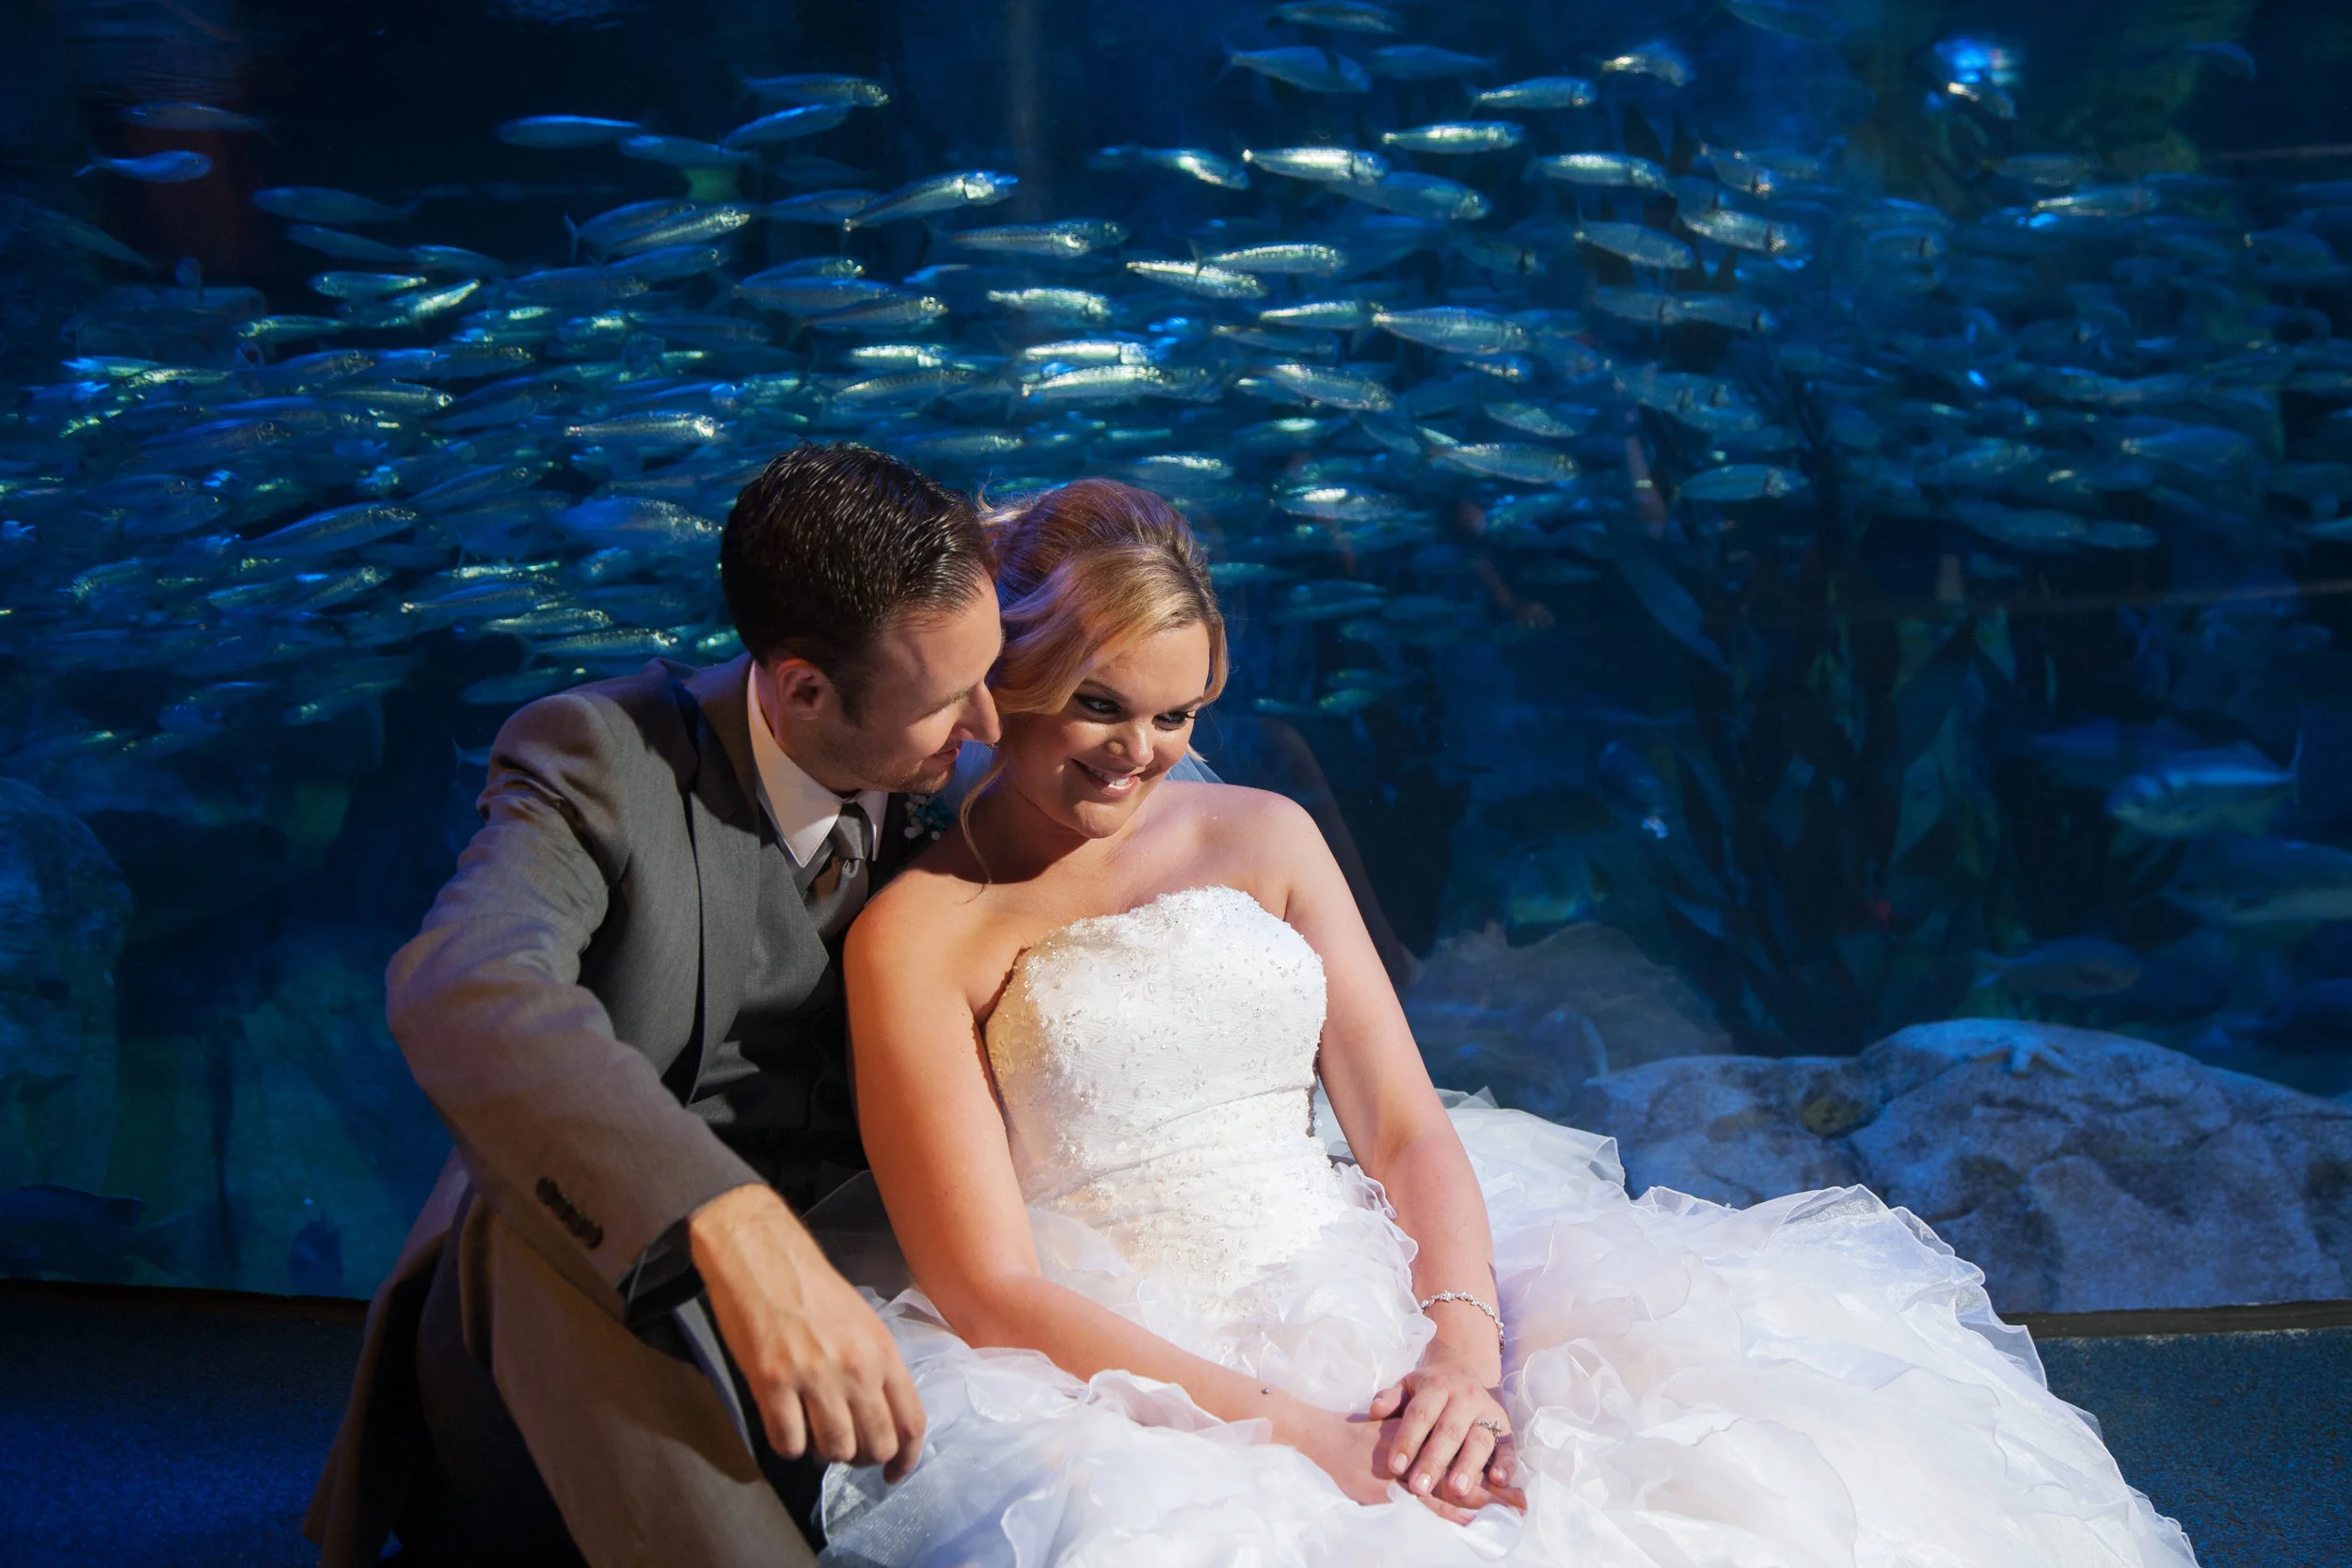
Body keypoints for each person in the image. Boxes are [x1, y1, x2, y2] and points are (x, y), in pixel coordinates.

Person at [824, 478, 2201, 1565]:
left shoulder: (1266, 831)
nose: (1141, 750)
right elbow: (990, 1287)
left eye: (1182, 712)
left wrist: (1462, 1354)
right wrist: (1308, 1434)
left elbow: (1408, 1120)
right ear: (1001, 680)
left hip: (1374, 1275)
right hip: (1126, 1360)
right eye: (1098, 705)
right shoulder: (922, 929)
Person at [307, 444, 1215, 1568]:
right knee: (526, 1212)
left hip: (869, 1335)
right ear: (802, 689)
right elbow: (466, 985)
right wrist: (715, 1217)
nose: (986, 721)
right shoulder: (599, 756)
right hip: (566, 1339)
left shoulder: (961, 809)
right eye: (947, 697)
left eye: (994, 673)